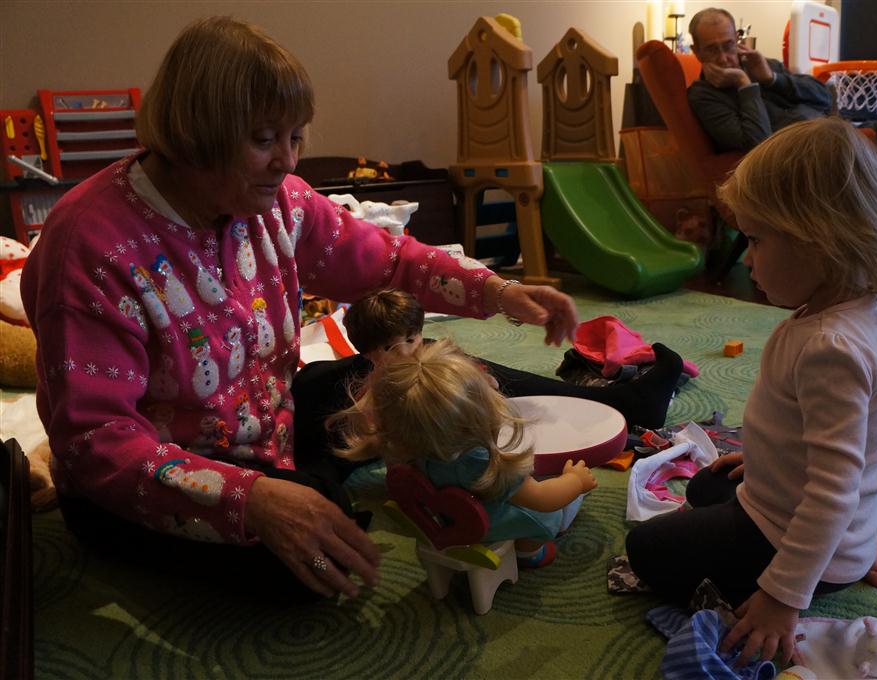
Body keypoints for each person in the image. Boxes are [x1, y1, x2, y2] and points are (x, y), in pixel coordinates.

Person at [20, 16, 581, 601]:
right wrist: (254, 500)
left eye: (296, 138)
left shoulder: (278, 203)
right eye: (265, 140)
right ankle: (311, 486)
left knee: (412, 373)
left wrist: (499, 291)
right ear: (195, 135)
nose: (288, 161)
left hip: (269, 427)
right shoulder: (88, 244)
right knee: (319, 564)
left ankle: (607, 401)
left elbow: (387, 260)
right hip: (159, 481)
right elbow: (96, 440)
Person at [626, 117, 877, 667]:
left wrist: (782, 597)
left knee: (646, 552)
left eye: (755, 239)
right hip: (807, 513)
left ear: (821, 240)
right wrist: (765, 461)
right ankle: (855, 544)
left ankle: (838, 560)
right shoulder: (856, 309)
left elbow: (832, 491)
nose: (747, 257)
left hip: (803, 542)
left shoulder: (831, 348)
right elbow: (825, 441)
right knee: (706, 486)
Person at [686, 8, 877, 302]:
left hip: (839, 136)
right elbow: (758, 145)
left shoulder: (762, 67)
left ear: (738, 40)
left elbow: (824, 96)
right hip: (810, 158)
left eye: (729, 45)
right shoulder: (704, 95)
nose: (725, 57)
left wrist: (771, 78)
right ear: (697, 51)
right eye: (712, 49)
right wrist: (746, 86)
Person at [292, 288, 688, 470]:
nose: (408, 350)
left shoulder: (420, 353)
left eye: (412, 339)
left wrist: (480, 384)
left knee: (443, 361)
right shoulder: (366, 390)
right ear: (368, 352)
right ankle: (626, 403)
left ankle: (623, 403)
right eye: (392, 347)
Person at [334, 338, 599, 567]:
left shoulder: (408, 446)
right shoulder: (483, 463)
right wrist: (575, 481)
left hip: (447, 515)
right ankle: (529, 552)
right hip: (484, 523)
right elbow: (543, 499)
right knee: (551, 516)